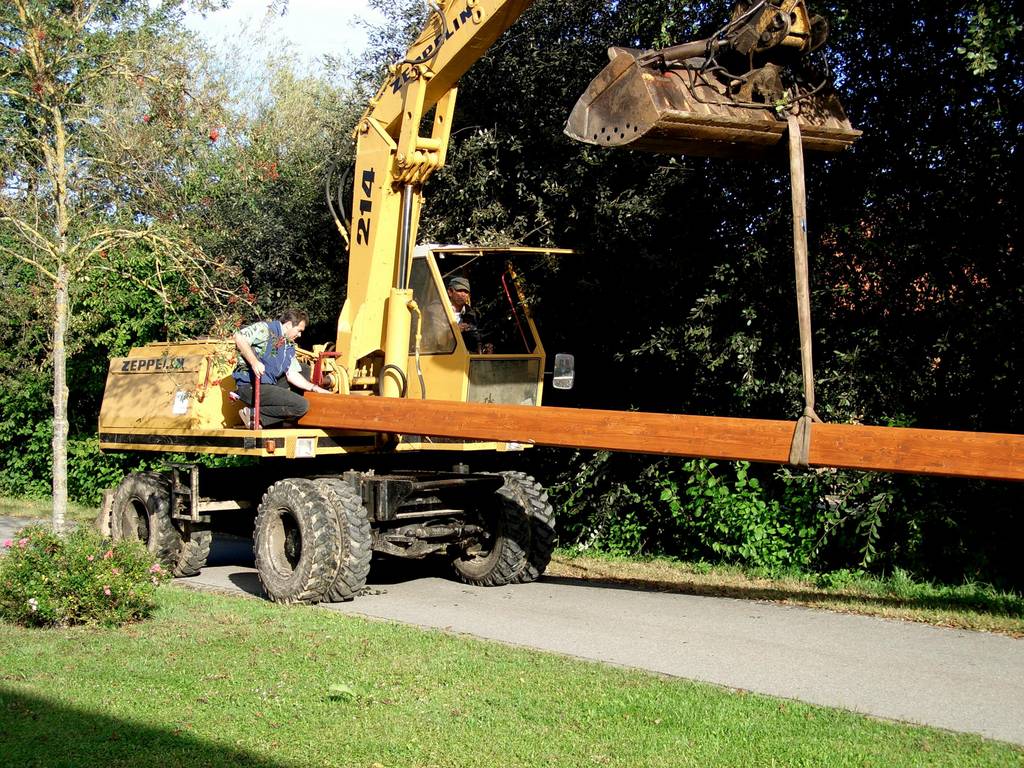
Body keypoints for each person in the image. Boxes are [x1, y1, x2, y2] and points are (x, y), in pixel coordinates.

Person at [232, 309, 329, 428]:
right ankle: (255, 415)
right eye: (299, 331)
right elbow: (238, 336)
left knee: (304, 369)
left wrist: (315, 388)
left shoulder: (289, 345)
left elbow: (291, 374)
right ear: (288, 325)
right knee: (302, 406)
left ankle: (280, 418)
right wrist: (254, 362)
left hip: (268, 384)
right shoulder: (265, 329)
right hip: (250, 386)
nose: (300, 335)